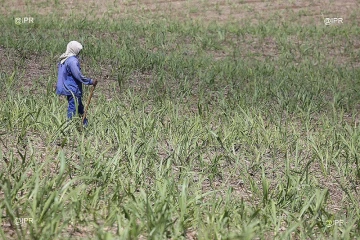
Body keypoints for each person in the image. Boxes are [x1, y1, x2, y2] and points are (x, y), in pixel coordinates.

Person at [56, 41, 97, 126]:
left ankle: (85, 125)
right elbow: (78, 75)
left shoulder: (65, 59)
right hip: (72, 89)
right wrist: (90, 81)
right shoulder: (72, 61)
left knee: (79, 108)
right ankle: (68, 127)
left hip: (68, 88)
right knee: (73, 108)